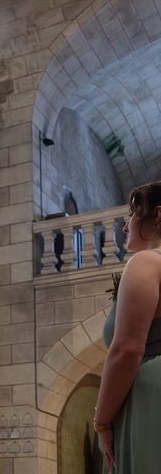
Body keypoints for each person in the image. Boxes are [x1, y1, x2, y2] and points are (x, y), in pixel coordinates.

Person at [96, 181, 161, 473]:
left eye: (133, 215)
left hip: (150, 395)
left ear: (157, 215)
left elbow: (126, 351)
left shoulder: (147, 262)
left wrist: (102, 421)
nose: (125, 227)